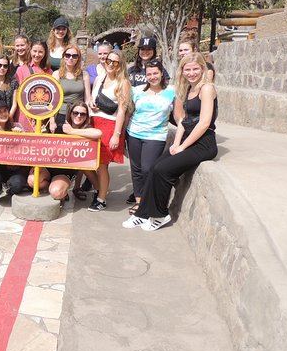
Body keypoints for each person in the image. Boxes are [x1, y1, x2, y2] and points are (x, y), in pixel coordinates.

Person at [124, 53, 218, 231]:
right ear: (182, 71)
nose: (191, 73)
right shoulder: (189, 90)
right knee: (153, 167)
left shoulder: (207, 88)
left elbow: (204, 123)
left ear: (202, 69)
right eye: (187, 69)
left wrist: (183, 146)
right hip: (186, 139)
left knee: (162, 170)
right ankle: (142, 213)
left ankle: (160, 214)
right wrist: (176, 143)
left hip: (203, 143)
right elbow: (184, 120)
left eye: (195, 69)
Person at [124, 60, 176, 216]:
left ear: (161, 73)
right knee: (136, 169)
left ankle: (148, 202)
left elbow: (180, 116)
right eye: (149, 74)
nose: (152, 77)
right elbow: (128, 113)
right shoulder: (136, 90)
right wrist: (120, 134)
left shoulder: (172, 91)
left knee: (148, 169)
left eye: (155, 73)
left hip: (156, 136)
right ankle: (139, 202)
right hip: (133, 133)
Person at [28, 100, 101, 203]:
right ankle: (53, 187)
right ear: (70, 114)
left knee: (56, 193)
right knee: (32, 181)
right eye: (75, 113)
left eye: (83, 114)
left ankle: (62, 190)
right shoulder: (60, 126)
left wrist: (72, 131)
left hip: (65, 172)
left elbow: (98, 133)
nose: (79, 116)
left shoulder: (85, 130)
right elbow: (42, 144)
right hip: (48, 167)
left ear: (86, 117)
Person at [88, 49, 134, 211]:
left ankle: (101, 199)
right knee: (88, 163)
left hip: (109, 125)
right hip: (93, 122)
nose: (111, 65)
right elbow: (93, 98)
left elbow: (122, 110)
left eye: (115, 62)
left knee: (102, 165)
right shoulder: (101, 77)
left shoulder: (123, 83)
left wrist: (117, 134)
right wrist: (91, 104)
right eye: (109, 60)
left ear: (120, 65)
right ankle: (100, 189)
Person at [49, 44, 92, 133]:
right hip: (61, 113)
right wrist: (52, 121)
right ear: (64, 57)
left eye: (74, 56)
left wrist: (88, 118)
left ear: (78, 58)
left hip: (78, 115)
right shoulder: (57, 74)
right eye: (67, 55)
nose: (71, 58)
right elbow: (52, 100)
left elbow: (87, 99)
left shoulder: (84, 75)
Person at [14, 40, 54, 132]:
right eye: (34, 51)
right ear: (30, 51)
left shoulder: (49, 72)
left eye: (40, 52)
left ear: (45, 53)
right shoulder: (21, 70)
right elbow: (17, 94)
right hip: (24, 114)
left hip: (42, 116)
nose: (37, 54)